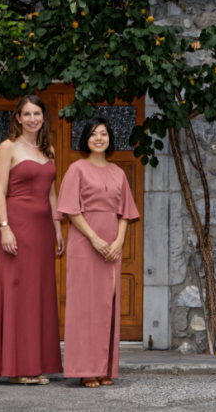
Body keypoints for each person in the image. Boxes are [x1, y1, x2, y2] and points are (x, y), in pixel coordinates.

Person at [55, 118, 139, 388]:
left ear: (109, 138)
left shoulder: (118, 172)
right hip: (84, 244)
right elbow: (70, 210)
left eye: (103, 133)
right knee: (84, 306)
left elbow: (125, 213)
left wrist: (119, 242)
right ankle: (85, 369)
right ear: (86, 139)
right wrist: (94, 238)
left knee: (106, 305)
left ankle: (104, 367)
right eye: (93, 134)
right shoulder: (76, 169)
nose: (99, 138)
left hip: (112, 248)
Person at [0, 95, 65, 385]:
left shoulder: (49, 150)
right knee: (19, 294)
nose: (33, 119)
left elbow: (52, 193)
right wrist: (5, 227)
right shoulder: (7, 147)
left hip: (43, 230)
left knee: (39, 295)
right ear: (18, 118)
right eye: (27, 114)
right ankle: (17, 367)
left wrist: (58, 228)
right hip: (17, 227)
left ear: (43, 117)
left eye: (37, 113)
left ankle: (36, 363)